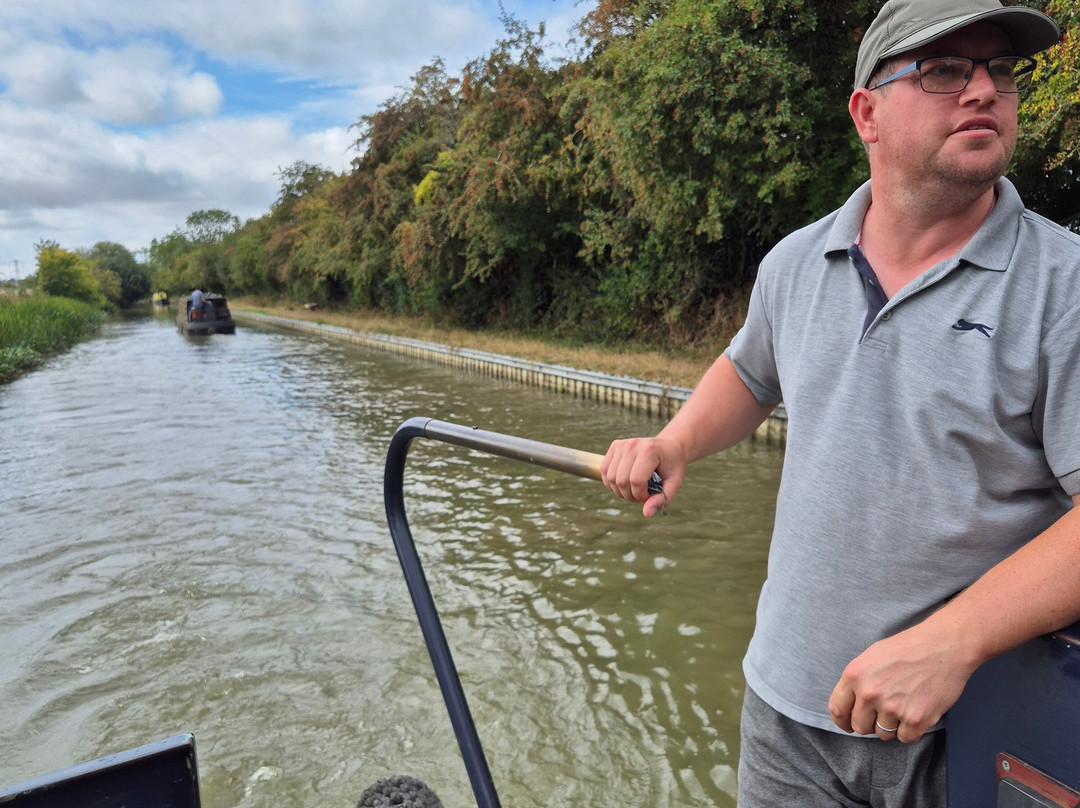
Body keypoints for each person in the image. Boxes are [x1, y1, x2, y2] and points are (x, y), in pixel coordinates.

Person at [600, 1, 1080, 805]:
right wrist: (676, 442)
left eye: (1001, 71)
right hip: (785, 716)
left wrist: (952, 642)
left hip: (969, 735)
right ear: (867, 113)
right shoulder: (796, 261)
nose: (984, 92)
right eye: (944, 71)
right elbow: (750, 374)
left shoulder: (1064, 285)